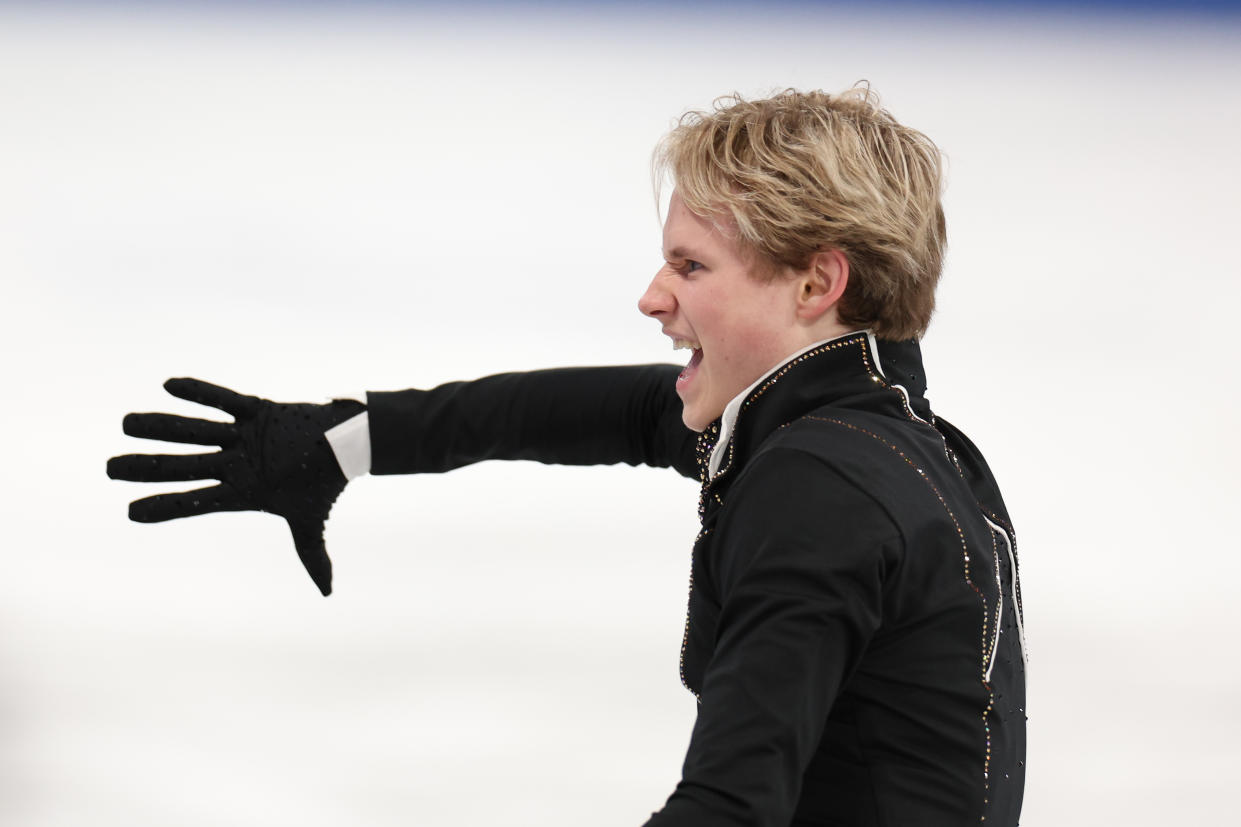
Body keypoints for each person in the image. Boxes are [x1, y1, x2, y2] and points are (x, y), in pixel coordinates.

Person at [108, 86, 1026, 826]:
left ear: (817, 282)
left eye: (691, 266)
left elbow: (732, 804)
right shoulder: (902, 446)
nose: (651, 297)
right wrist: (346, 441)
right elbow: (600, 412)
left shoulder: (814, 488)